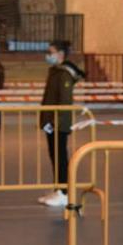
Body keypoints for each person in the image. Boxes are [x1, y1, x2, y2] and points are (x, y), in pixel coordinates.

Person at [38, 40, 85, 207]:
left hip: (58, 123)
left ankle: (64, 193)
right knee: (54, 156)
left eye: (50, 52)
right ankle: (58, 188)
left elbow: (64, 102)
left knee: (60, 157)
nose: (47, 55)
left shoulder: (64, 74)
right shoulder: (55, 71)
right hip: (51, 122)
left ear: (60, 54)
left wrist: (55, 122)